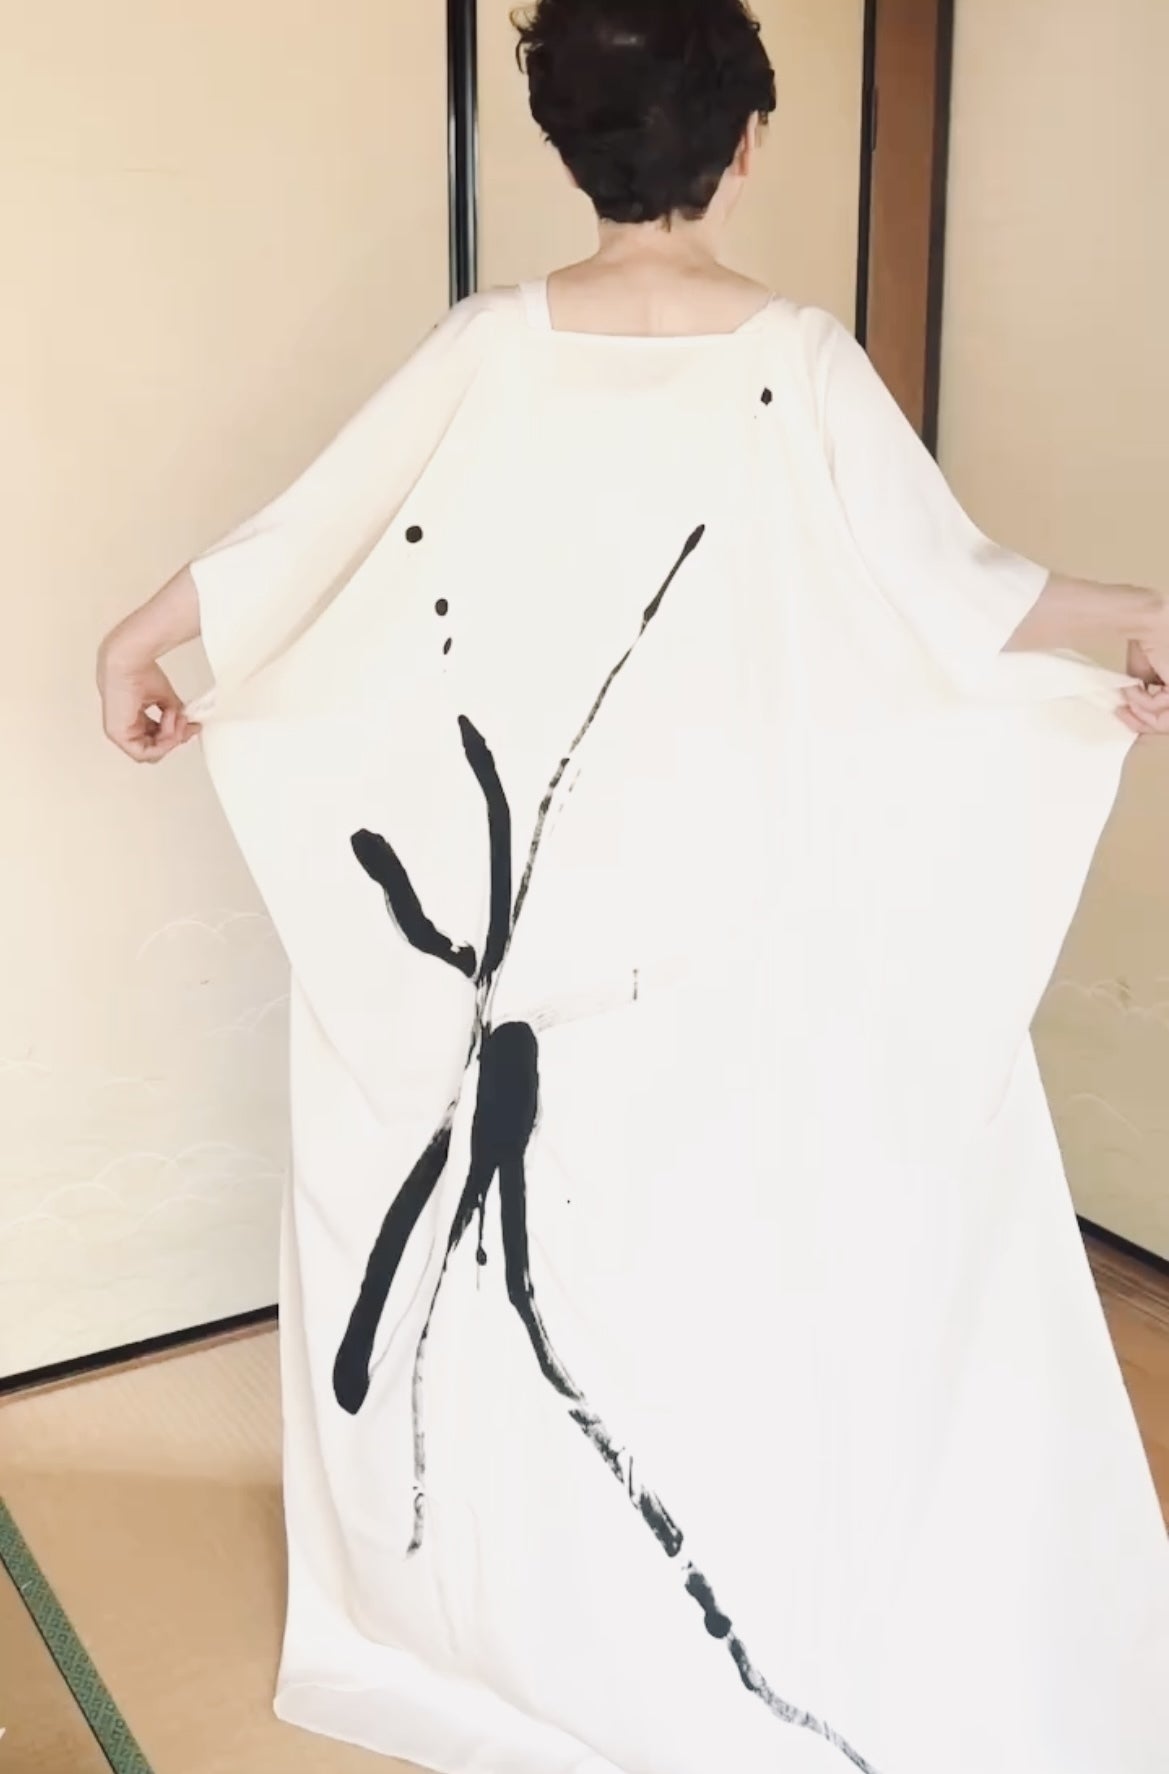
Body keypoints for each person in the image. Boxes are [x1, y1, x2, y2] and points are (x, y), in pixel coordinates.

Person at [97, 3, 1169, 1770]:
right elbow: (959, 593)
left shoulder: (486, 344)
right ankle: (732, 1645)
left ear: (566, 145)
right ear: (744, 145)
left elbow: (304, 535)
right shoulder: (798, 357)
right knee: (724, 1264)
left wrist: (141, 638)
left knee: (546, 1290)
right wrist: (1124, 619)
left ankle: (533, 1629)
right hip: (731, 921)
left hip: (540, 927)